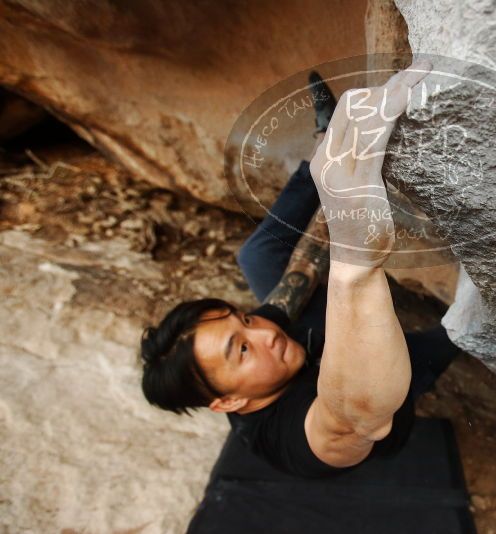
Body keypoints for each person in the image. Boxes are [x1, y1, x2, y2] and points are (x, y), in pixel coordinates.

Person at [139, 61, 462, 478]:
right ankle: (466, 326)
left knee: (255, 259)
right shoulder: (287, 441)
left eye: (244, 319)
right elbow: (353, 419)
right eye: (241, 350)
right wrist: (355, 265)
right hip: (394, 378)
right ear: (229, 403)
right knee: (465, 326)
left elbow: (301, 272)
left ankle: (322, 146)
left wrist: (338, 177)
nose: (265, 334)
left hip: (326, 337)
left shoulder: (266, 338)